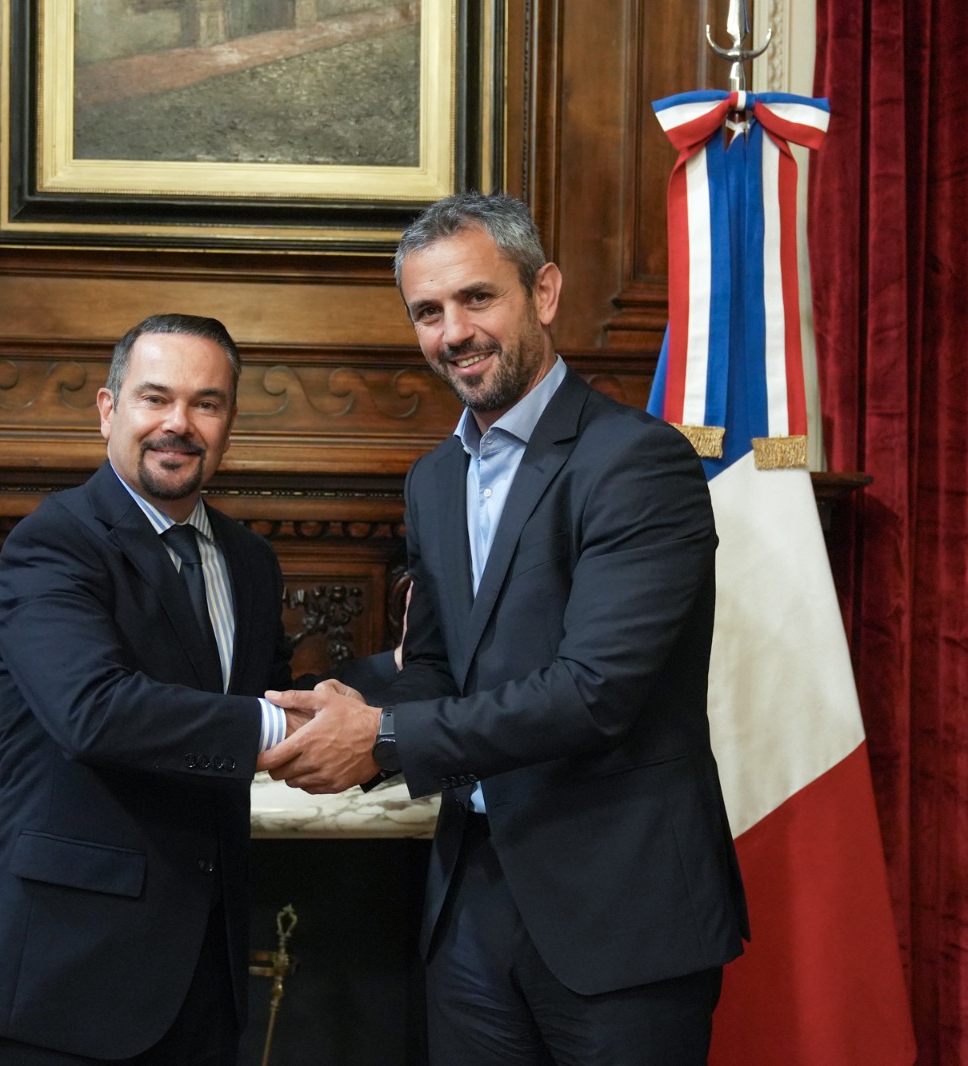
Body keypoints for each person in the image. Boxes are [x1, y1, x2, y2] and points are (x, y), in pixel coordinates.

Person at [258, 193, 750, 1065]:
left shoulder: (638, 461)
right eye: (429, 311)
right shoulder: (434, 480)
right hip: (472, 902)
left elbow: (596, 692)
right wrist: (347, 708)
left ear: (544, 292)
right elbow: (443, 668)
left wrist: (381, 738)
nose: (454, 332)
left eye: (477, 298)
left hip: (621, 907)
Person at [0, 314, 299, 1065]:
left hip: (202, 984)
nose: (179, 423)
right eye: (156, 398)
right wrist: (276, 731)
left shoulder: (248, 560)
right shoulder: (54, 542)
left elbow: (271, 695)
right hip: (62, 986)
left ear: (230, 423)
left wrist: (390, 684)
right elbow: (94, 713)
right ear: (109, 410)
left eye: (207, 403)